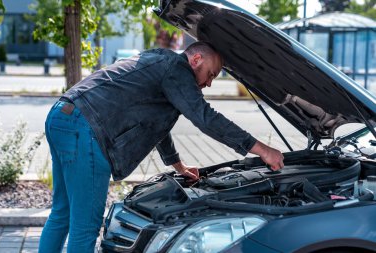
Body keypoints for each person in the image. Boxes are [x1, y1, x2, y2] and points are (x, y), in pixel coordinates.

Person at [38, 41, 284, 253]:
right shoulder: (177, 71)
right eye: (211, 74)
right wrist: (262, 149)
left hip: (63, 114)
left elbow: (155, 125)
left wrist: (178, 165)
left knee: (62, 212)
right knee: (85, 226)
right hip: (86, 128)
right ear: (196, 59)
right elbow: (205, 117)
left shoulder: (160, 59)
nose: (209, 83)